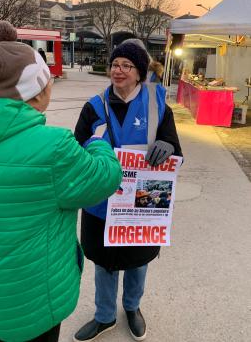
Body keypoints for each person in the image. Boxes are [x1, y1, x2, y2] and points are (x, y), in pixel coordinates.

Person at [0, 21, 122, 342]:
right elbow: (104, 178)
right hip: (32, 301)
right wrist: (99, 142)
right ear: (37, 90)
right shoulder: (53, 147)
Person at [73, 38, 182, 342]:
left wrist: (168, 145)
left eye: (126, 65)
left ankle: (132, 308)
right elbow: (76, 149)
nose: (118, 70)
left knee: (138, 261)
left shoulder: (157, 103)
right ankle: (104, 316)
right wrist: (92, 147)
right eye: (114, 64)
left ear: (139, 72)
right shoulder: (94, 106)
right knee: (105, 262)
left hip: (142, 203)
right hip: (102, 202)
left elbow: (174, 147)